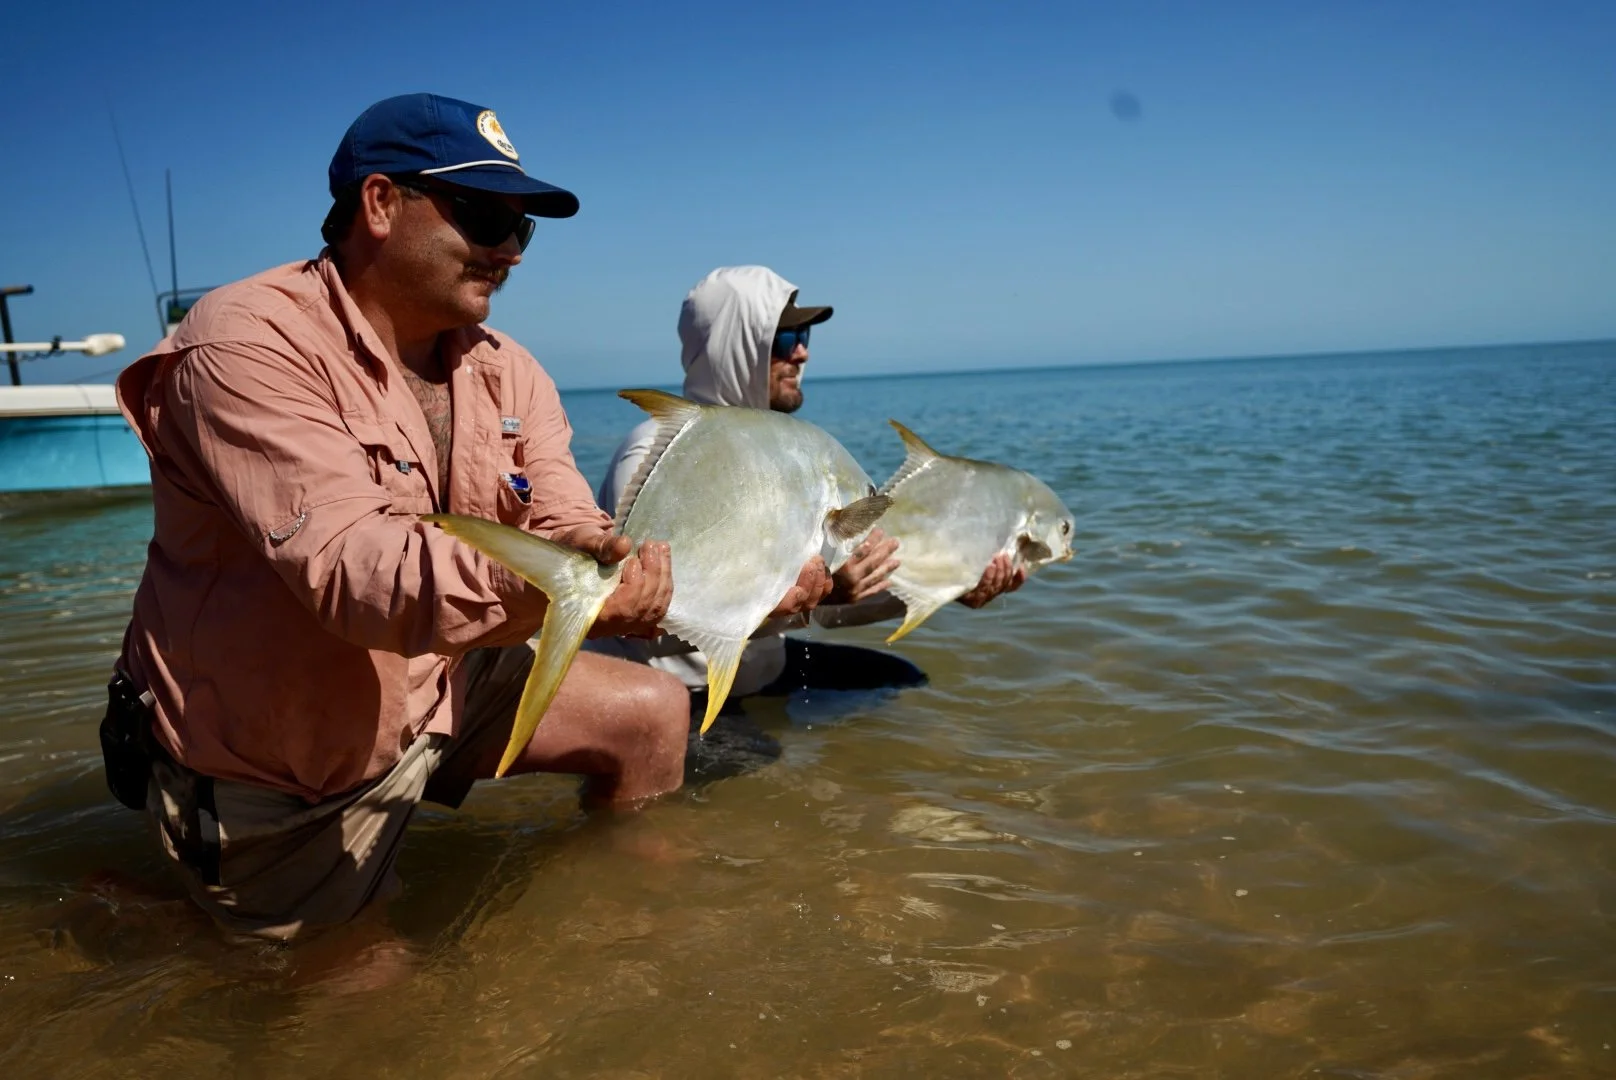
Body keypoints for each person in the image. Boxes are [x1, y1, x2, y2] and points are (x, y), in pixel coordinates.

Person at [103, 95, 803, 943]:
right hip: (284, 757)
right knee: (370, 1017)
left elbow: (565, 515)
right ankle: (161, 895)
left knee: (652, 712)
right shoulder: (244, 347)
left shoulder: (512, 371)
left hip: (443, 678)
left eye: (523, 230)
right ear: (380, 203)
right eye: (482, 216)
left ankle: (640, 928)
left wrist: (640, 567)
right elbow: (353, 572)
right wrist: (567, 587)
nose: (508, 251)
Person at [589, 266, 1023, 745]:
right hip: (682, 688)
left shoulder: (781, 451)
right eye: (785, 336)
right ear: (736, 347)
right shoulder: (659, 451)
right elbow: (639, 613)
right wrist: (823, 595)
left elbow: (823, 607)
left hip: (763, 668)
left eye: (805, 334)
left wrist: (948, 589)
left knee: (904, 680)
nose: (803, 351)